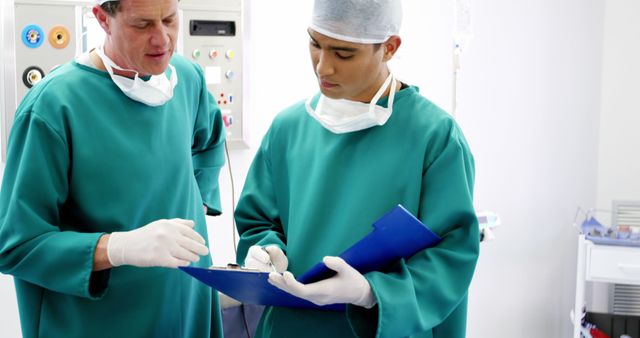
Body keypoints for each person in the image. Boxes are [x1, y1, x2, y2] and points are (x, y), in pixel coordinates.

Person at [234, 0, 480, 337]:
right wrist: (266, 250)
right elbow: (258, 220)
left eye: (343, 53)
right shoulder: (288, 129)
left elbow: (452, 255)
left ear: (390, 48)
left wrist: (370, 292)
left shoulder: (434, 138)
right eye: (315, 44)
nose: (323, 67)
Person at [0, 0, 226, 337]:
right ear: (103, 19)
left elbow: (209, 141)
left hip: (186, 301)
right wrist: (116, 248)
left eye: (169, 19)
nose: (162, 39)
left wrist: (197, 200)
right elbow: (16, 245)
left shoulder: (186, 79)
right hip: (102, 320)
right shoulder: (54, 107)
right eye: (142, 24)